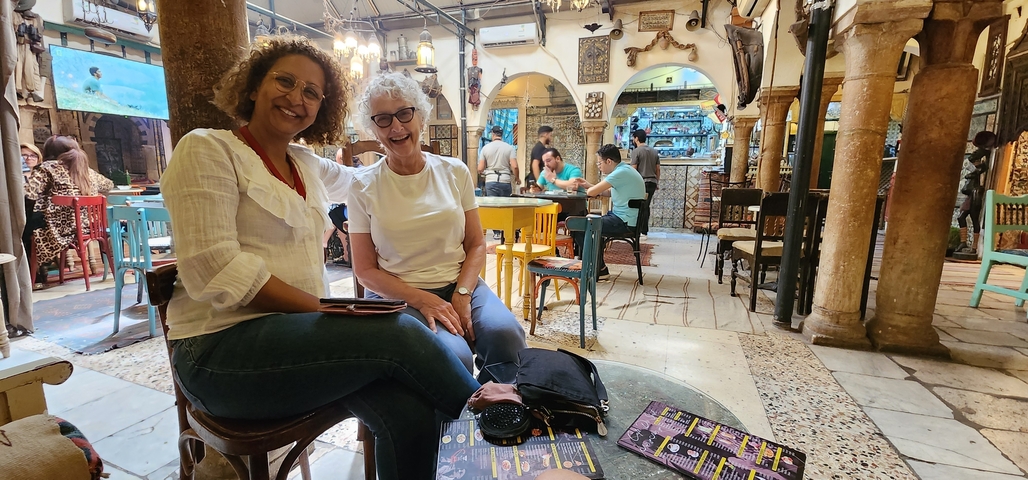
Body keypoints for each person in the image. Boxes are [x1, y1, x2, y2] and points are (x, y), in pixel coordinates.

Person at [159, 36, 479, 479]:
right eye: (285, 82)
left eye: (311, 92)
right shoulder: (208, 149)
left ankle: (489, 424)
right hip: (220, 354)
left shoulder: (305, 164)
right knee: (396, 329)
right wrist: (329, 308)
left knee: (409, 409)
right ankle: (500, 422)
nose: (297, 98)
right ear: (253, 86)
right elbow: (215, 271)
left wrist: (411, 154)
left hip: (301, 341)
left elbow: (371, 178)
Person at [348, 72, 527, 385]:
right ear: (374, 129)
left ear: (421, 116)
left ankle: (499, 412)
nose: (397, 127)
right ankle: (453, 425)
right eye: (383, 119)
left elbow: (475, 244)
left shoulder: (455, 172)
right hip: (398, 295)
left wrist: (462, 292)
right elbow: (365, 271)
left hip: (458, 281)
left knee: (505, 333)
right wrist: (423, 299)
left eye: (405, 113)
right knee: (451, 354)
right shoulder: (363, 185)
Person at [24, 136, 113, 281]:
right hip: (90, 227)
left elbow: (29, 194)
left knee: (21, 230)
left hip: (59, 230)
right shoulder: (86, 170)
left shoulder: (47, 168)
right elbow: (108, 184)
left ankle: (36, 277)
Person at [574, 144, 647, 280]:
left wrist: (588, 188)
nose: (598, 166)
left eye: (599, 162)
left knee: (579, 226)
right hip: (623, 218)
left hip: (623, 221)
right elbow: (607, 192)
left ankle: (596, 268)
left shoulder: (620, 173)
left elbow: (592, 193)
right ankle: (598, 267)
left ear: (609, 161)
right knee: (586, 223)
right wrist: (588, 185)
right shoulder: (624, 170)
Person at [956, 131, 996, 254]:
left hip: (975, 193)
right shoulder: (973, 169)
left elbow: (976, 161)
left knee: (974, 218)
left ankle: (974, 247)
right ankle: (963, 242)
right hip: (971, 193)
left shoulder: (978, 169)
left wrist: (975, 168)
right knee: (961, 217)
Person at [478, 125, 519, 239]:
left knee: (493, 206)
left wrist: (485, 170)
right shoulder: (509, 148)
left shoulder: (486, 148)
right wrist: (517, 178)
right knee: (505, 206)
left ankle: (496, 232)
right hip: (505, 180)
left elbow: (480, 168)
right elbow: (514, 166)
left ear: (492, 134)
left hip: (491, 181)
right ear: (501, 134)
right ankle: (505, 231)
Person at [630, 129, 660, 236]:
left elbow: (633, 169)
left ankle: (640, 230)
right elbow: (658, 169)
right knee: (646, 205)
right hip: (652, 182)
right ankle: (644, 230)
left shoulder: (636, 151)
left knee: (641, 206)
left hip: (641, 183)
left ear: (636, 138)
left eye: (634, 138)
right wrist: (657, 182)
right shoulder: (654, 151)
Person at [526, 125, 552, 190]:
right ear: (545, 134)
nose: (551, 138)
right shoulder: (539, 147)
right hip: (534, 182)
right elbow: (535, 165)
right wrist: (539, 183)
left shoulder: (539, 147)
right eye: (550, 135)